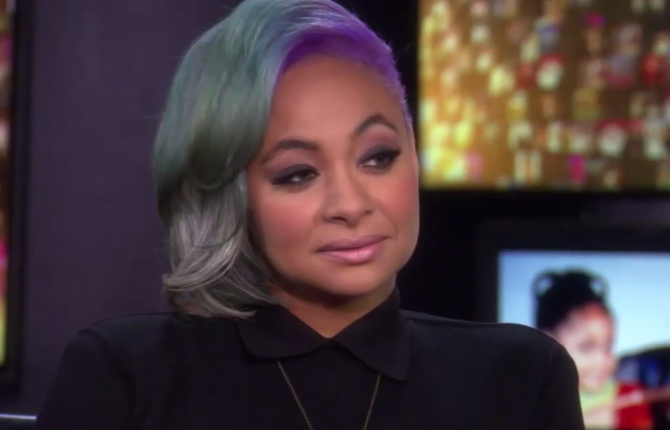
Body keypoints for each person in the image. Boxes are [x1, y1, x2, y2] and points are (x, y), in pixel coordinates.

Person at [35, 1, 583, 429]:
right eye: (298, 174)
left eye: (377, 157)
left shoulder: (521, 377)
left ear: (414, 153)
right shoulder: (125, 374)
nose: (350, 205)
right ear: (229, 191)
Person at [534, 269, 652, 429]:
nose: (603, 361)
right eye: (586, 348)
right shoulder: (530, 405)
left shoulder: (631, 400)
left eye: (608, 347)